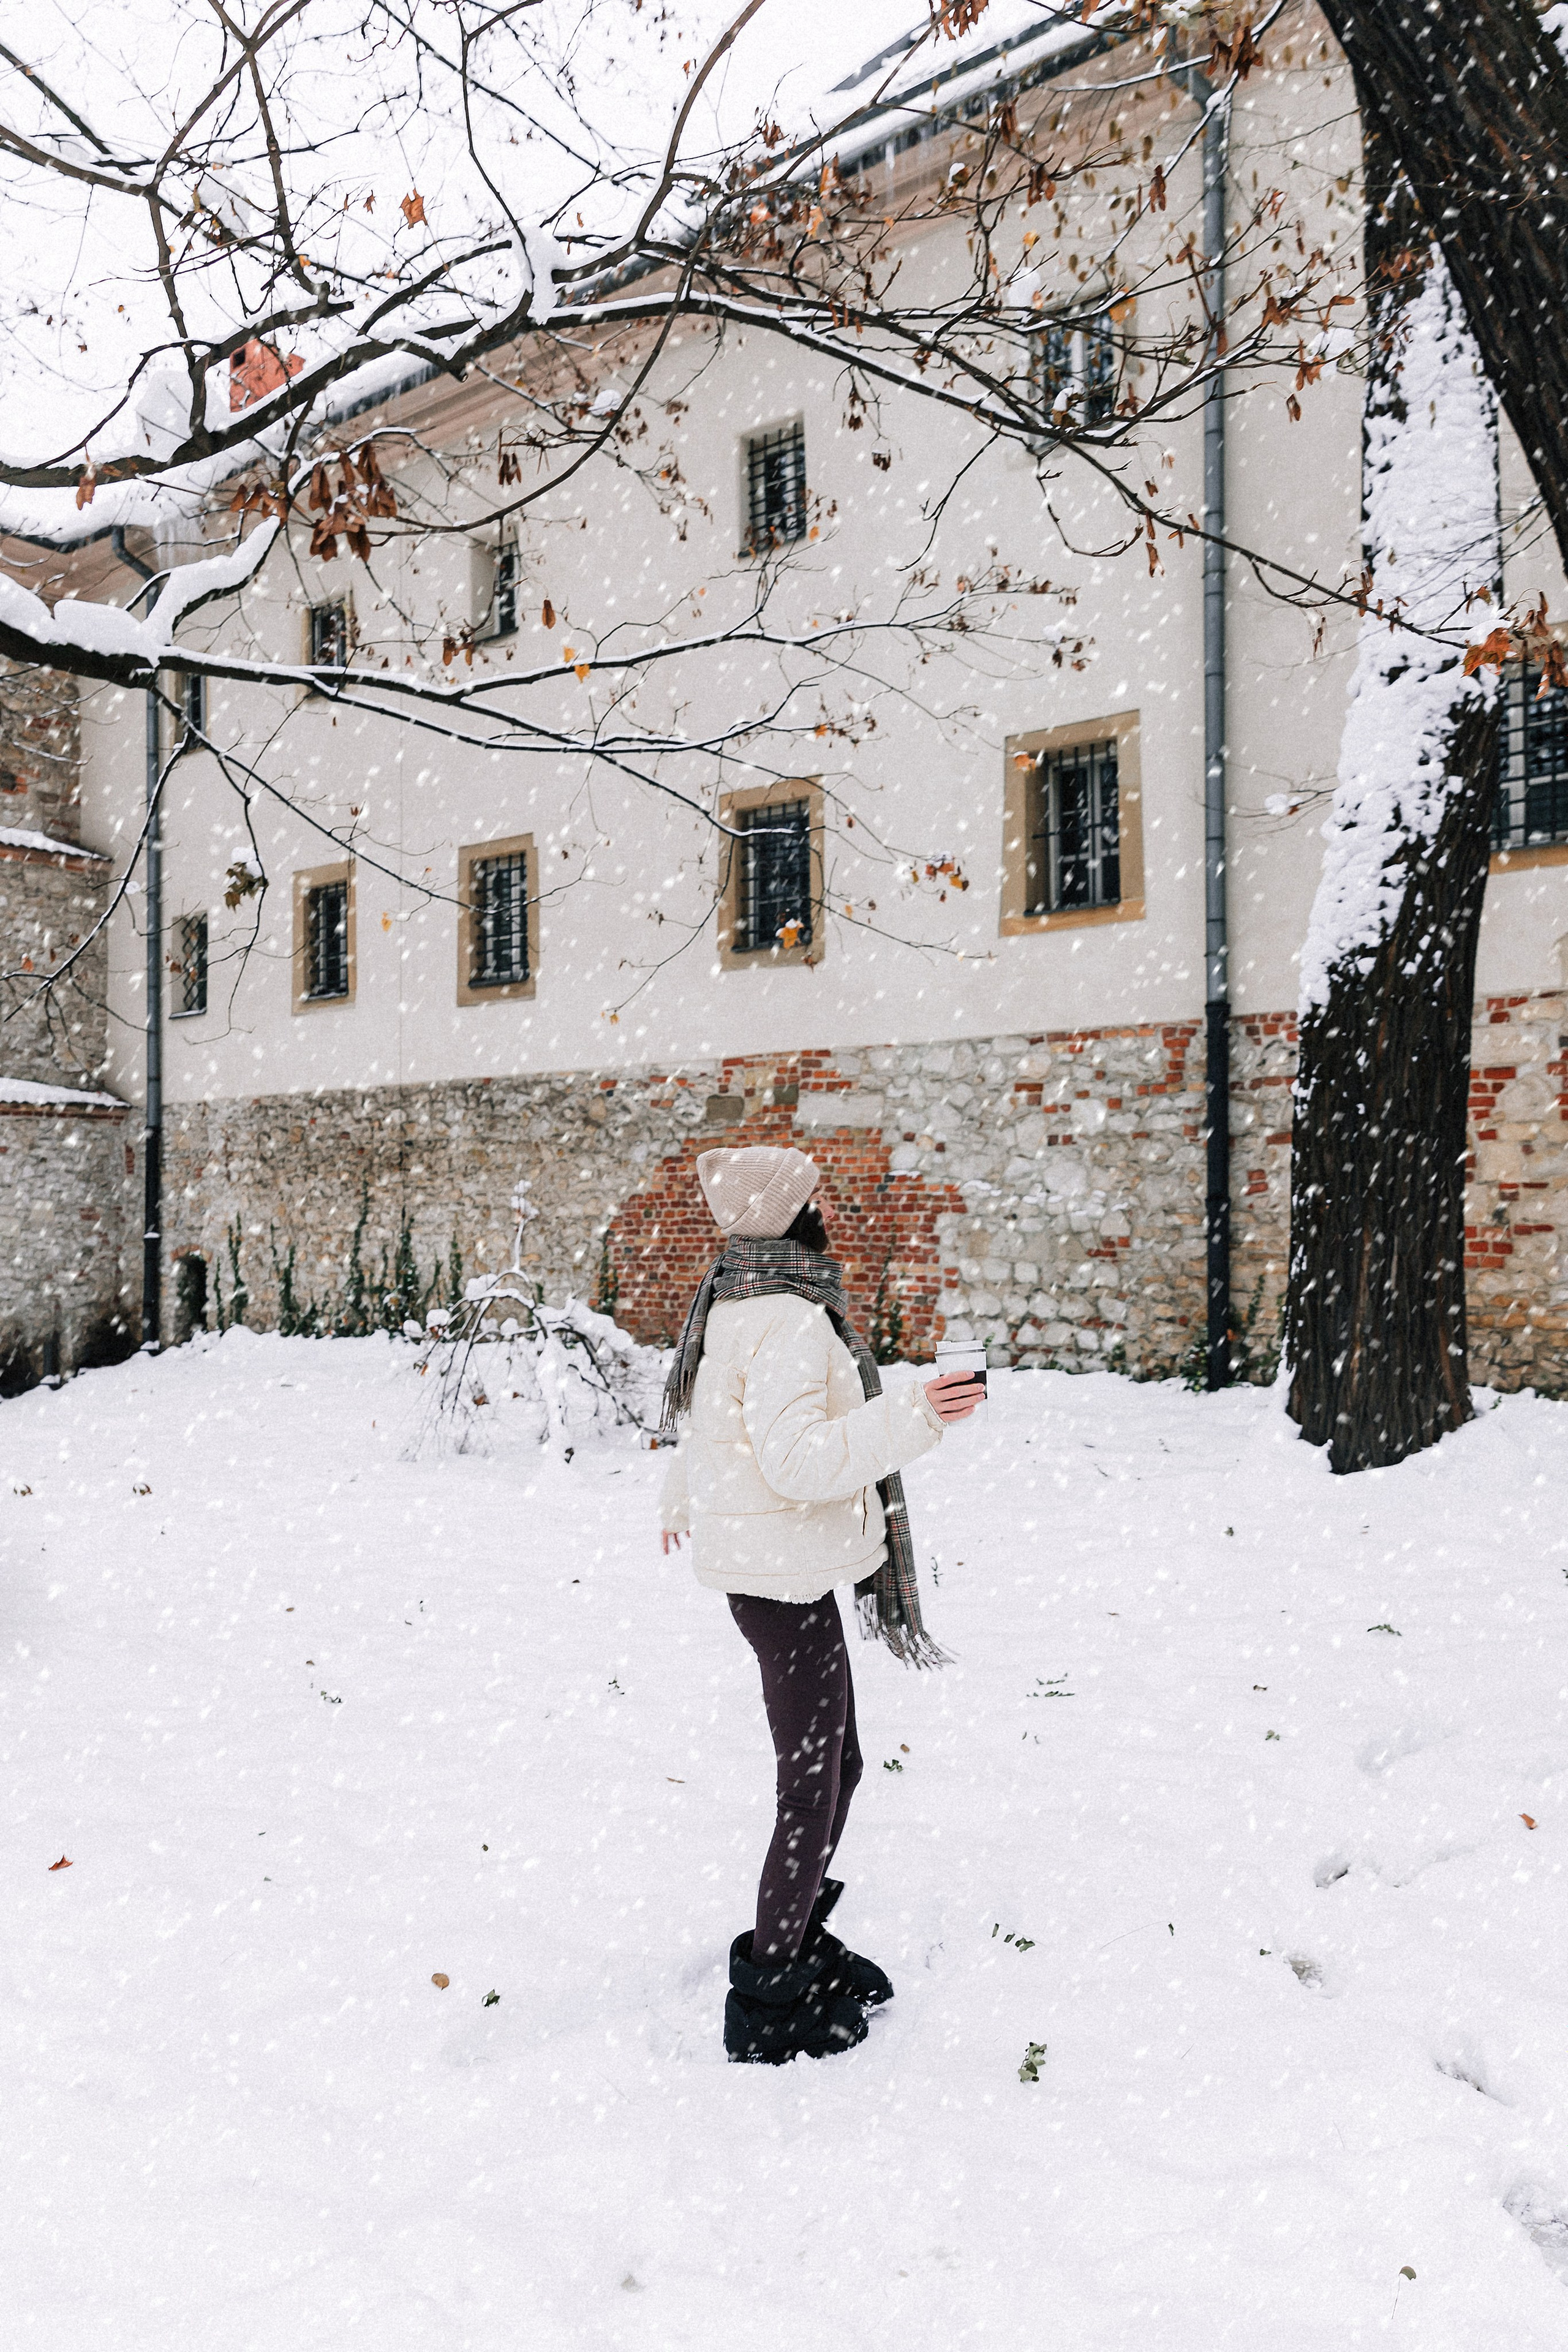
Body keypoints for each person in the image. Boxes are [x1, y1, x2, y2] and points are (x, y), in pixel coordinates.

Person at [658, 1143, 982, 2065]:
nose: (825, 1212)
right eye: (815, 1200)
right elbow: (796, 1460)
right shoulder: (788, 1316)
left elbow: (711, 1424)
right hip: (781, 1582)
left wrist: (681, 1497)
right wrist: (921, 1414)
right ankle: (770, 1998)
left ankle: (796, 1938)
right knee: (813, 1787)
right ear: (795, 1217)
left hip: (772, 1574)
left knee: (839, 1765)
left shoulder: (735, 1299)